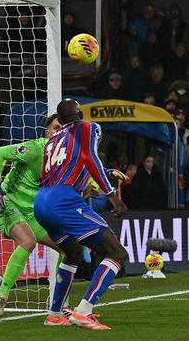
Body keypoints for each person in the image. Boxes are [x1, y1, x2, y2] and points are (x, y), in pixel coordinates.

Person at [34, 99, 128, 330]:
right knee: (116, 253)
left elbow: (69, 166)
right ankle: (84, 311)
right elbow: (90, 157)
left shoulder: (52, 140)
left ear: (60, 119)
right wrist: (111, 194)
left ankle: (55, 314)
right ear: (80, 115)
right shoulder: (88, 127)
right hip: (63, 200)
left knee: (73, 252)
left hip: (41, 202)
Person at [0, 114, 64, 316]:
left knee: (67, 247)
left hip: (31, 213)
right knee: (28, 241)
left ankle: (59, 302)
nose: (60, 132)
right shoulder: (35, 149)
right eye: (56, 128)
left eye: (64, 128)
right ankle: (1, 297)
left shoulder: (66, 158)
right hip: (6, 203)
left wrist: (107, 172)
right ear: (47, 132)